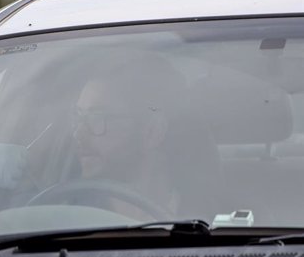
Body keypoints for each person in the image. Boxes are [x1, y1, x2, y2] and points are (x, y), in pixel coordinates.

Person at [68, 53, 222, 221]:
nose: (79, 134)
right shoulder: (65, 220)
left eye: (97, 118)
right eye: (79, 116)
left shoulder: (220, 226)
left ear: (152, 131)